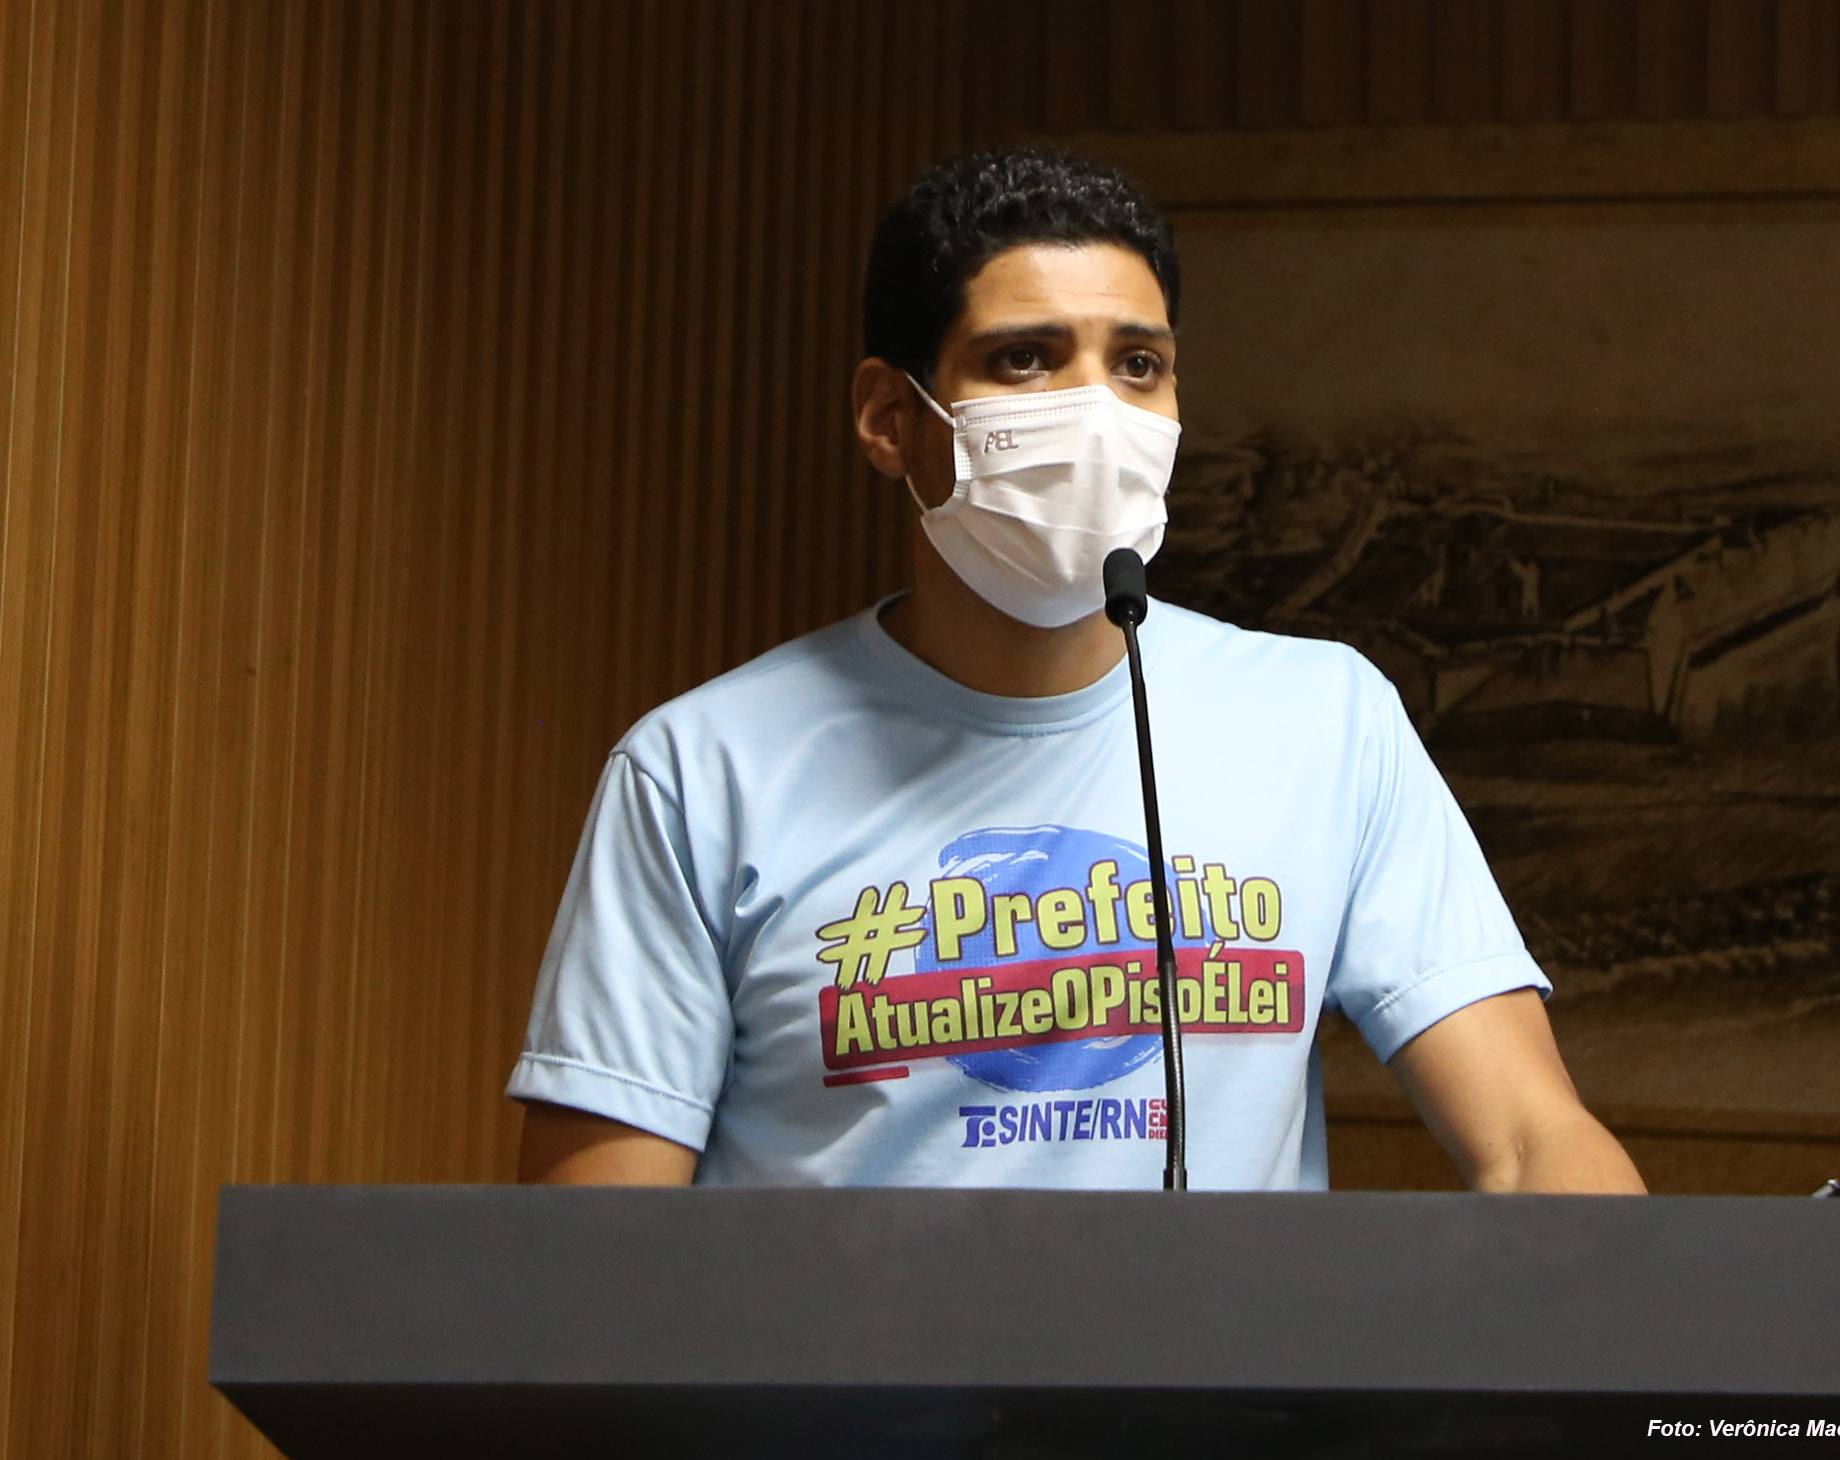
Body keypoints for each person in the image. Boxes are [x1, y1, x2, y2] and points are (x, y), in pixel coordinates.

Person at [509, 148, 1645, 1195]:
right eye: (1024, 359)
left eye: (1138, 364)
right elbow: (595, 1256)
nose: (1096, 413)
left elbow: (1530, 1138)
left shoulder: (1325, 720)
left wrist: (1643, 1308)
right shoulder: (700, 772)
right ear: (890, 418)